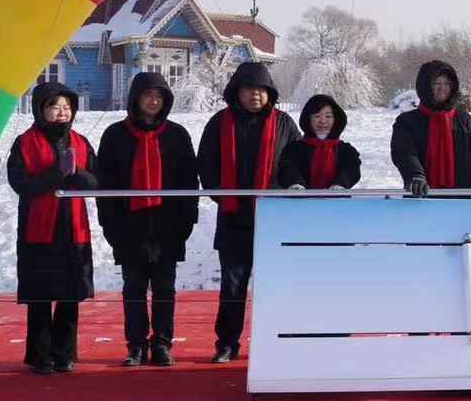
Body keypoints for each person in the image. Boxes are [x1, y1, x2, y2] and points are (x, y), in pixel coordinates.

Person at [196, 60, 298, 362]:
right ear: (237, 92)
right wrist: (223, 198)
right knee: (232, 285)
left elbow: (295, 163)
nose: (256, 95)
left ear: (270, 93)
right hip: (233, 219)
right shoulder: (219, 122)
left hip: (273, 220)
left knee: (274, 285)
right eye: (250, 89)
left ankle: (277, 341)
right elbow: (206, 164)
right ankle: (226, 343)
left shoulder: (284, 124)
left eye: (262, 90)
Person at [95, 71, 198, 367]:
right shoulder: (115, 135)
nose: (153, 101)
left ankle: (163, 343)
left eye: (159, 96)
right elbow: (106, 184)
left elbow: (189, 182)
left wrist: (185, 224)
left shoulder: (177, 135)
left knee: (165, 289)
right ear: (135, 98)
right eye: (148, 95)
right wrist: (111, 226)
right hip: (130, 227)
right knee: (134, 288)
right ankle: (136, 345)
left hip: (168, 228)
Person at [8, 80, 98, 374]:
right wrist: (55, 174)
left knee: (70, 296)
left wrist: (76, 173)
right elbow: (21, 184)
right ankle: (40, 356)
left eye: (66, 107)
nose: (61, 112)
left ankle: (65, 353)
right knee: (40, 296)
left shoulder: (82, 142)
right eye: (54, 107)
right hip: (38, 229)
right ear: (40, 109)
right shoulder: (24, 142)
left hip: (73, 229)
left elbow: (96, 183)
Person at [391, 60, 471, 196]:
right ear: (425, 86)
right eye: (436, 83)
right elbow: (404, 153)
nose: (442, 87)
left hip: (463, 201)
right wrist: (415, 175)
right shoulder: (407, 122)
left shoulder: (465, 120)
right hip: (421, 198)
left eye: (446, 83)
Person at [283, 93, 364, 191]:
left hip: (337, 202)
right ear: (308, 119)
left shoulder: (346, 150)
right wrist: (295, 182)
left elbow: (350, 169)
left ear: (336, 119)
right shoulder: (294, 149)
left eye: (328, 116)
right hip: (300, 202)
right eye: (317, 116)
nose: (323, 121)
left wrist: (340, 183)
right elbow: (288, 167)